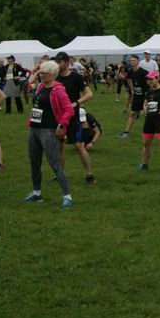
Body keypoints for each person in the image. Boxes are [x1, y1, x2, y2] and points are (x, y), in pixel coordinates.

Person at [22, 60, 75, 209]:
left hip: (48, 130)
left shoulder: (58, 90)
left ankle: (67, 197)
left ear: (51, 74)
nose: (41, 75)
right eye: (41, 73)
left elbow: (69, 109)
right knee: (34, 162)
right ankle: (36, 193)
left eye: (44, 73)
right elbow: (26, 87)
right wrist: (34, 73)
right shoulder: (40, 86)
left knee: (54, 163)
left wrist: (61, 125)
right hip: (34, 128)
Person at [55, 53, 96, 185]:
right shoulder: (55, 77)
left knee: (78, 145)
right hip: (58, 117)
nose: (57, 64)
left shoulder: (76, 77)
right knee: (59, 146)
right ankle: (60, 174)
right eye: (56, 61)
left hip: (73, 116)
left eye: (60, 61)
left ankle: (89, 174)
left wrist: (76, 103)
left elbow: (89, 94)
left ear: (67, 62)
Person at [119, 55, 147, 138]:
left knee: (149, 115)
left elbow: (152, 82)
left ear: (138, 61)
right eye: (131, 61)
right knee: (132, 113)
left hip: (146, 96)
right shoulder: (130, 71)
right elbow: (128, 79)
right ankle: (126, 131)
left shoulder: (144, 72)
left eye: (134, 60)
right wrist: (131, 89)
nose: (132, 62)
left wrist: (148, 95)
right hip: (137, 96)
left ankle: (155, 132)